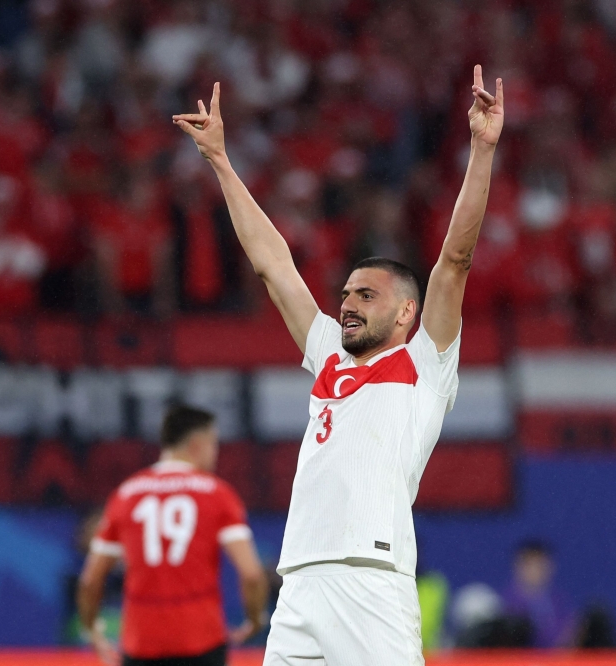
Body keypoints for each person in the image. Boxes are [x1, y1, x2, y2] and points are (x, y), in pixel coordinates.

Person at [173, 65, 504, 666]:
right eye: (346, 295)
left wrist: (481, 150)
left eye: (365, 296)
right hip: (298, 579)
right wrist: (221, 162)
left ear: (408, 312)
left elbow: (454, 260)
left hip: (370, 577)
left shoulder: (424, 364)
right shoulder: (329, 355)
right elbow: (274, 265)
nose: (347, 305)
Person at [77, 406, 268, 666]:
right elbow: (252, 574)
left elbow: (90, 581)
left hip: (141, 643)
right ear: (197, 444)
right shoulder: (217, 494)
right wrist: (254, 620)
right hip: (202, 641)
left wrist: (92, 631)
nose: (215, 453)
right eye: (214, 445)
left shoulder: (126, 494)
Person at [501, 539, 575, 649]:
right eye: (530, 564)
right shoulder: (504, 604)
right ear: (518, 566)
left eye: (541, 564)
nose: (536, 570)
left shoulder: (558, 600)